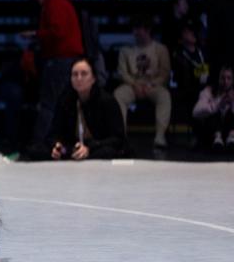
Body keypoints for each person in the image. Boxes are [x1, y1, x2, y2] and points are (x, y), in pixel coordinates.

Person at [21, 0, 84, 146]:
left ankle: (41, 144)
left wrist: (35, 34)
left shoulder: (55, 4)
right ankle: (55, 141)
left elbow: (58, 32)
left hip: (60, 59)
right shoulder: (62, 3)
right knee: (60, 102)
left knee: (49, 103)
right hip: (66, 59)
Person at [45, 58, 127, 160]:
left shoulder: (107, 101)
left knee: (108, 152)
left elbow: (118, 139)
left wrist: (89, 148)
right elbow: (52, 134)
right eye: (75, 74)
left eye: (84, 74)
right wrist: (56, 146)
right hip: (71, 148)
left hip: (98, 147)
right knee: (38, 150)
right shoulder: (65, 100)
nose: (79, 78)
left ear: (93, 78)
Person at [113, 15, 172, 150]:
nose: (135, 32)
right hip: (132, 85)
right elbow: (122, 73)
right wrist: (135, 84)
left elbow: (164, 73)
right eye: (134, 29)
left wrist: (151, 85)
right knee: (118, 95)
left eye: (138, 29)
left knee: (164, 96)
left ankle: (160, 136)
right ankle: (120, 136)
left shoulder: (161, 49)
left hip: (153, 85)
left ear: (148, 30)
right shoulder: (126, 51)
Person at [192, 65, 234, 152]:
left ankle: (231, 138)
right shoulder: (208, 91)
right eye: (223, 78)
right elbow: (196, 112)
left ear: (233, 80)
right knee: (213, 113)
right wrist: (217, 103)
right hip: (212, 133)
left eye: (229, 78)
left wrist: (233, 103)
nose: (226, 82)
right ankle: (217, 139)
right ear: (218, 79)